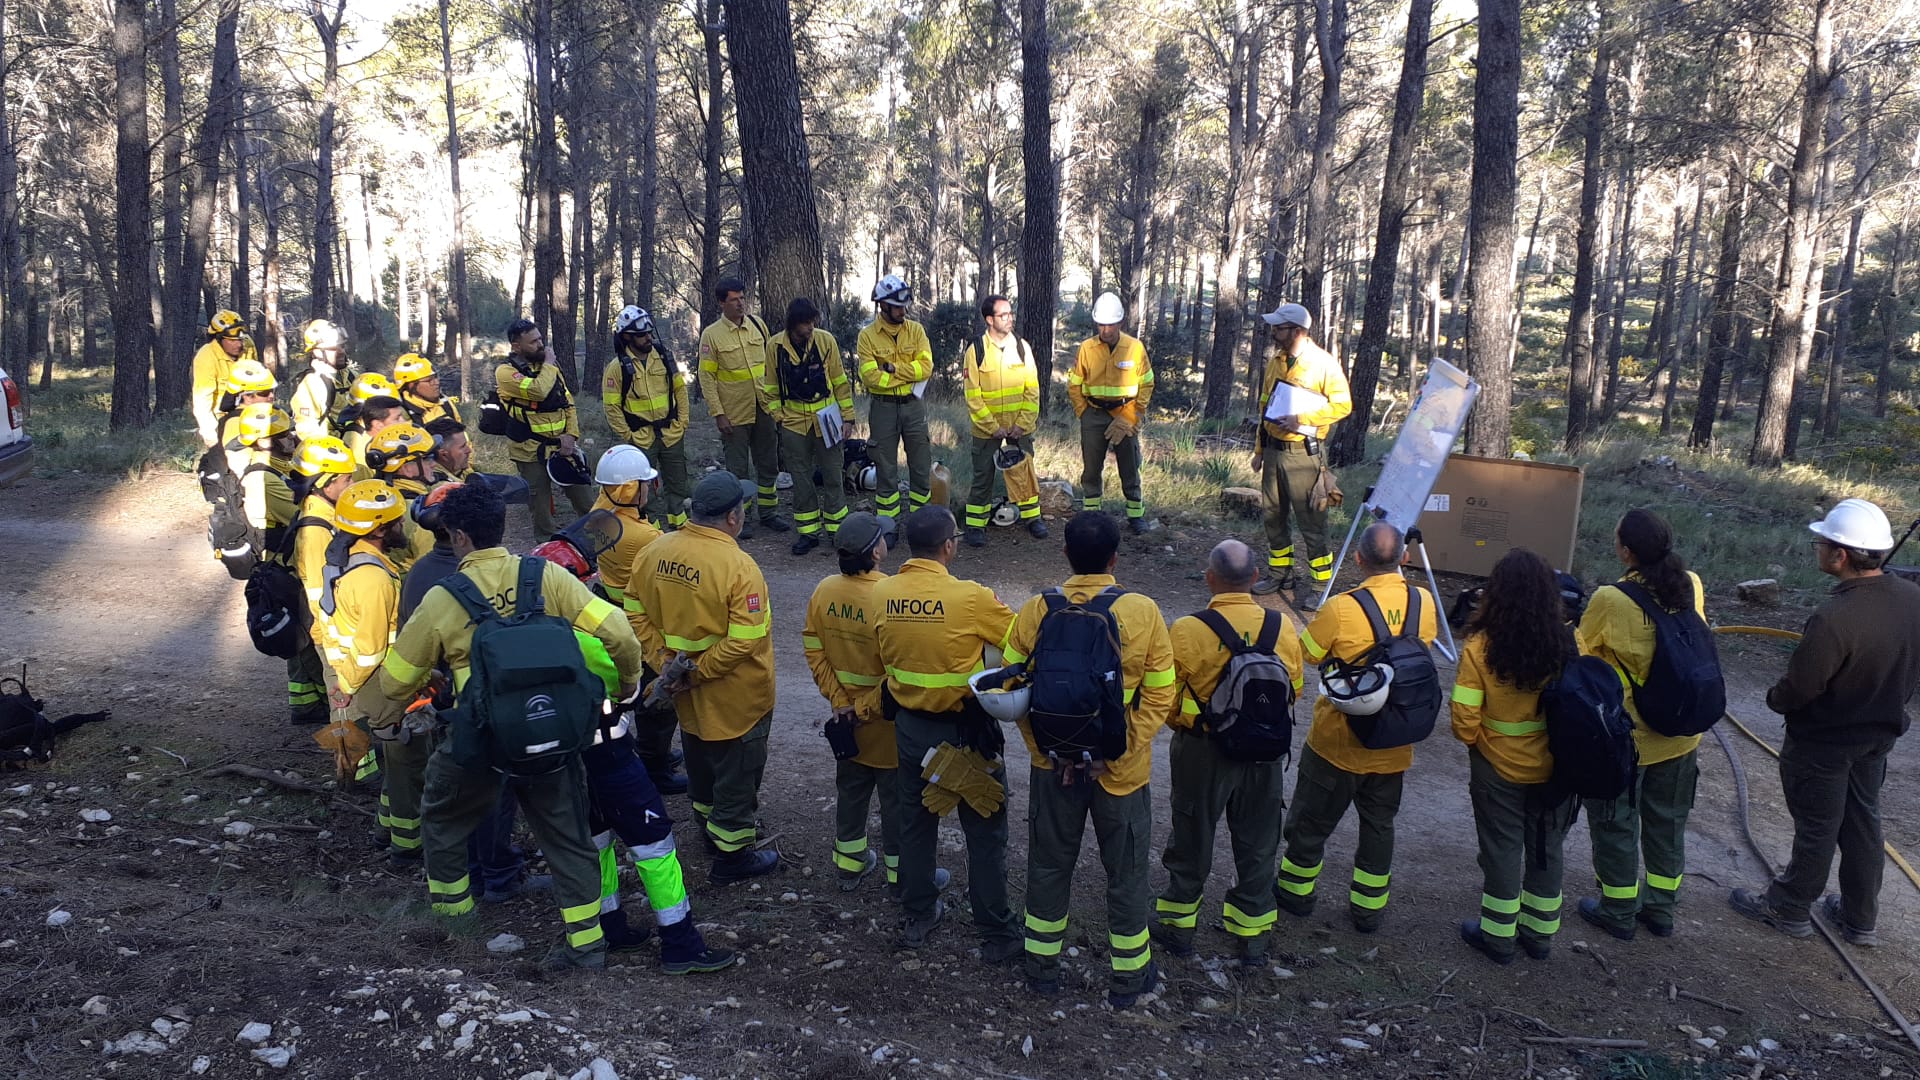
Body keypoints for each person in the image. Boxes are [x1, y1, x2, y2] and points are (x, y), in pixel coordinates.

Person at [370, 482, 643, 970]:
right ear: (502, 526)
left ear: (456, 536)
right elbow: (619, 632)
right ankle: (587, 945)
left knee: (444, 821)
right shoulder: (548, 577)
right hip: (549, 734)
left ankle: (455, 928)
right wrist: (627, 686)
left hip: (480, 743)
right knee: (568, 835)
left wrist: (385, 722)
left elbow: (395, 682)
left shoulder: (442, 599)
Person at [533, 540, 739, 974]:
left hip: (564, 763)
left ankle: (611, 925)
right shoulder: (587, 645)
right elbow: (622, 687)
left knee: (596, 840)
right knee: (655, 844)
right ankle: (680, 942)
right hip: (608, 753)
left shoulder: (525, 646)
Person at [1002, 511, 1177, 1006]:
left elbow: (1013, 688)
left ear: (1064, 555)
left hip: (1052, 768)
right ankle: (1129, 979)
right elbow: (1160, 696)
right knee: (1126, 872)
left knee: (1049, 865)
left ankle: (1041, 969)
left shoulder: (1037, 609)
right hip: (1120, 775)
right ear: (1116, 559)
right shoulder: (1143, 611)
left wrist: (1047, 752)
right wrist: (1113, 754)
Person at [1731, 499, 1920, 945]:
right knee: (1862, 821)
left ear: (1840, 555)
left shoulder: (1834, 618)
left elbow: (1800, 688)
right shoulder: (1914, 600)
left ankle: (1788, 907)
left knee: (1819, 824)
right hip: (1878, 737)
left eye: (1822, 543)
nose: (1817, 549)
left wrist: (1776, 700)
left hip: (1822, 743)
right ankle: (1860, 918)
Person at [871, 506, 1022, 959]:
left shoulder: (883, 594)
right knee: (986, 827)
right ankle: (995, 930)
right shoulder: (971, 597)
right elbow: (1019, 637)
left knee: (915, 824)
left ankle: (919, 913)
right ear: (950, 546)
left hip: (912, 729)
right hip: (968, 730)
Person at [1278, 521, 1437, 931]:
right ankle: (1368, 911)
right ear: (1404, 558)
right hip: (1394, 745)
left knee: (1311, 822)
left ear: (1358, 559)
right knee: (1379, 827)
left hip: (1337, 743)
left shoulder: (1342, 608)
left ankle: (1295, 895)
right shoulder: (1424, 603)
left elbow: (1307, 655)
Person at [398, 481, 549, 904]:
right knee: (494, 797)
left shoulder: (421, 573)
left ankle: (473, 877)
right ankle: (498, 876)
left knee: (464, 797)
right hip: (483, 710)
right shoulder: (469, 578)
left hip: (450, 708)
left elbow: (406, 660)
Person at [626, 472, 781, 884]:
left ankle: (705, 822)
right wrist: (700, 674)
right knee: (737, 769)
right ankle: (732, 856)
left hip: (681, 689)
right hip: (736, 696)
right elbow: (746, 641)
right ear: (733, 517)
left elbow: (632, 609)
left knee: (697, 750)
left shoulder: (654, 550)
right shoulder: (738, 566)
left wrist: (666, 664)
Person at [1156, 539, 1303, 966]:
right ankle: (1252, 938)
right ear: (1257, 578)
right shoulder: (1283, 626)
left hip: (1202, 752)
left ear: (1209, 578)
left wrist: (1193, 723)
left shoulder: (1187, 629)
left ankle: (1178, 929)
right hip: (1265, 752)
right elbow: (1294, 690)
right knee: (1259, 842)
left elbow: (1166, 699)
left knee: (1192, 835)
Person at [802, 512, 950, 900]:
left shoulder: (824, 591)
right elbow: (902, 668)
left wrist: (841, 703)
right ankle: (902, 879)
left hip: (845, 724)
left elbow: (814, 650)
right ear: (877, 551)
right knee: (898, 805)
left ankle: (848, 868)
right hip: (887, 725)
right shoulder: (890, 594)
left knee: (851, 795)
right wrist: (863, 707)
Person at [1575, 509, 1708, 941]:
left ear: (1626, 551)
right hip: (1683, 734)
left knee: (1616, 822)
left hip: (1628, 740)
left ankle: (1617, 910)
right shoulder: (1692, 584)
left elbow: (1582, 653)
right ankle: (1662, 909)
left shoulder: (1610, 600)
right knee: (1667, 823)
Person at [1451, 548, 1582, 965]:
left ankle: (1498, 937)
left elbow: (1464, 718)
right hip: (1556, 767)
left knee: (1503, 848)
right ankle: (1539, 937)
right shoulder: (1567, 640)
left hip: (1498, 766)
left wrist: (1478, 743)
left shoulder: (1479, 646)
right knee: (1546, 847)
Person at [317, 480, 417, 859]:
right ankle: (403, 841)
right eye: (395, 520)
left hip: (358, 675)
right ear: (377, 528)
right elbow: (372, 648)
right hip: (376, 681)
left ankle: (384, 826)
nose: (401, 526)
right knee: (405, 762)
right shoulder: (373, 579)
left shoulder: (348, 556)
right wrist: (351, 687)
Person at [590, 445, 688, 795]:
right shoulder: (644, 537)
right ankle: (654, 766)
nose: (652, 486)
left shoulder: (599, 512)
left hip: (609, 609)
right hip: (640, 620)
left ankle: (650, 752)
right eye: (646, 482)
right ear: (631, 489)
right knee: (656, 698)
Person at [1250, 302, 1353, 606]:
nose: (1273, 332)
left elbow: (1343, 405)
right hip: (1272, 452)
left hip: (1303, 455)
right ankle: (1280, 574)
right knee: (1273, 516)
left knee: (1312, 521)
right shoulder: (1276, 361)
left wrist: (1303, 419)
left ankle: (1321, 585)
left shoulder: (1323, 363)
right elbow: (1264, 408)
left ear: (1296, 331)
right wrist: (1259, 450)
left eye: (1278, 328)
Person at [231, 404, 324, 727]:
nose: (292, 437)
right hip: (285, 569)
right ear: (265, 440)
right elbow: (303, 511)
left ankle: (305, 703)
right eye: (283, 434)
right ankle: (321, 701)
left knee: (298, 637)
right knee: (307, 636)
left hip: (287, 566)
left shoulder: (276, 468)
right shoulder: (263, 478)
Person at [290, 437, 363, 756]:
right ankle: (351, 763)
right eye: (346, 480)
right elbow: (323, 592)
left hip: (336, 627)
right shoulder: (317, 528)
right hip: (332, 632)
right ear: (324, 481)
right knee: (344, 701)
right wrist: (336, 638)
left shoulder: (325, 510)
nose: (350, 486)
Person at [765, 298, 855, 555]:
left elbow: (840, 382)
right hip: (793, 422)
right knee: (801, 479)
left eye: (812, 322)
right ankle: (808, 533)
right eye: (806, 323)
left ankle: (838, 530)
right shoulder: (775, 346)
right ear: (793, 324)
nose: (810, 328)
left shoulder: (826, 341)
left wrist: (847, 418)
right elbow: (768, 387)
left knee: (833, 474)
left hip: (827, 417)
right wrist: (778, 415)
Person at [696, 279, 785, 537]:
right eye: (734, 299)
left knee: (768, 463)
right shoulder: (711, 335)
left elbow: (772, 365)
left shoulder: (757, 325)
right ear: (722, 302)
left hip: (763, 407)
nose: (740, 303)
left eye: (743, 298)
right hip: (733, 412)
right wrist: (718, 413)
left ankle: (769, 513)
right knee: (738, 469)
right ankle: (738, 517)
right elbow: (707, 378)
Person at [496, 318, 595, 536]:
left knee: (586, 501)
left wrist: (571, 436)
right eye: (533, 342)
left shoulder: (549, 369)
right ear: (516, 346)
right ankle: (548, 550)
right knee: (540, 509)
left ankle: (599, 545)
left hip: (562, 448)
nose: (541, 345)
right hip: (529, 451)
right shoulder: (505, 373)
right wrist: (549, 364)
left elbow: (568, 403)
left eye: (541, 339)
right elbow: (538, 390)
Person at [960, 295, 1044, 545]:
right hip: (987, 431)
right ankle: (975, 525)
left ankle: (1032, 518)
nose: (1010, 318)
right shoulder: (976, 350)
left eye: (1011, 313)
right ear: (989, 319)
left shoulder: (1022, 347)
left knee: (1025, 473)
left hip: (1020, 428)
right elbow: (972, 396)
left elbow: (1033, 389)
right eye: (1003, 315)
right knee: (982, 476)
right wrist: (993, 427)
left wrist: (1022, 423)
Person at [1069, 291, 1154, 535]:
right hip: (1093, 413)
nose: (1105, 329)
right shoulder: (1087, 348)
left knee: (1129, 465)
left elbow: (1147, 383)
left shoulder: (1135, 348)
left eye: (1111, 324)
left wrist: (1131, 415)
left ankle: (1135, 515)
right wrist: (1083, 412)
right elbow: (1074, 384)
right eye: (1101, 324)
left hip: (1125, 412)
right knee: (1091, 466)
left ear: (1121, 323)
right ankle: (1091, 513)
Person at [601, 306, 691, 530]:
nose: (648, 337)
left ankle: (680, 526)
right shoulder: (617, 368)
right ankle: (652, 532)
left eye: (649, 332)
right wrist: (628, 437)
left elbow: (680, 390)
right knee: (643, 488)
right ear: (627, 337)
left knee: (678, 483)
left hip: (671, 433)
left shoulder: (663, 357)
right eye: (642, 334)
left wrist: (682, 422)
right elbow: (612, 407)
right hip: (641, 439)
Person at [856, 275, 934, 522]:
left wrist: (892, 370)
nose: (903, 310)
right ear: (883, 306)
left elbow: (926, 368)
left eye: (904, 305)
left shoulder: (916, 331)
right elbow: (870, 378)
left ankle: (921, 522)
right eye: (897, 306)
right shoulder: (867, 336)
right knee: (886, 468)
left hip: (913, 406)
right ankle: (887, 524)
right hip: (883, 409)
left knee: (921, 466)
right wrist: (907, 374)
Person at [191, 310, 254, 447]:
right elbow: (202, 399)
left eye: (240, 340)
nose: (238, 345)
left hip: (249, 412)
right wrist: (210, 432)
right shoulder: (206, 357)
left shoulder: (248, 346)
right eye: (232, 341)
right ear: (219, 338)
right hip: (222, 418)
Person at [290, 319, 352, 442]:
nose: (341, 351)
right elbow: (306, 430)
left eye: (342, 346)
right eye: (333, 348)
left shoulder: (351, 377)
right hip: (330, 451)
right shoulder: (312, 384)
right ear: (316, 351)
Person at [393, 353, 463, 427]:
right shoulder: (401, 415)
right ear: (411, 385)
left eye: (435, 377)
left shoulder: (444, 402)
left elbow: (460, 433)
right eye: (429, 380)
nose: (436, 383)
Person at [426, 417, 474, 483]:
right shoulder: (441, 486)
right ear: (444, 455)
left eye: (466, 444)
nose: (469, 450)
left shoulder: (459, 470)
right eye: (463, 447)